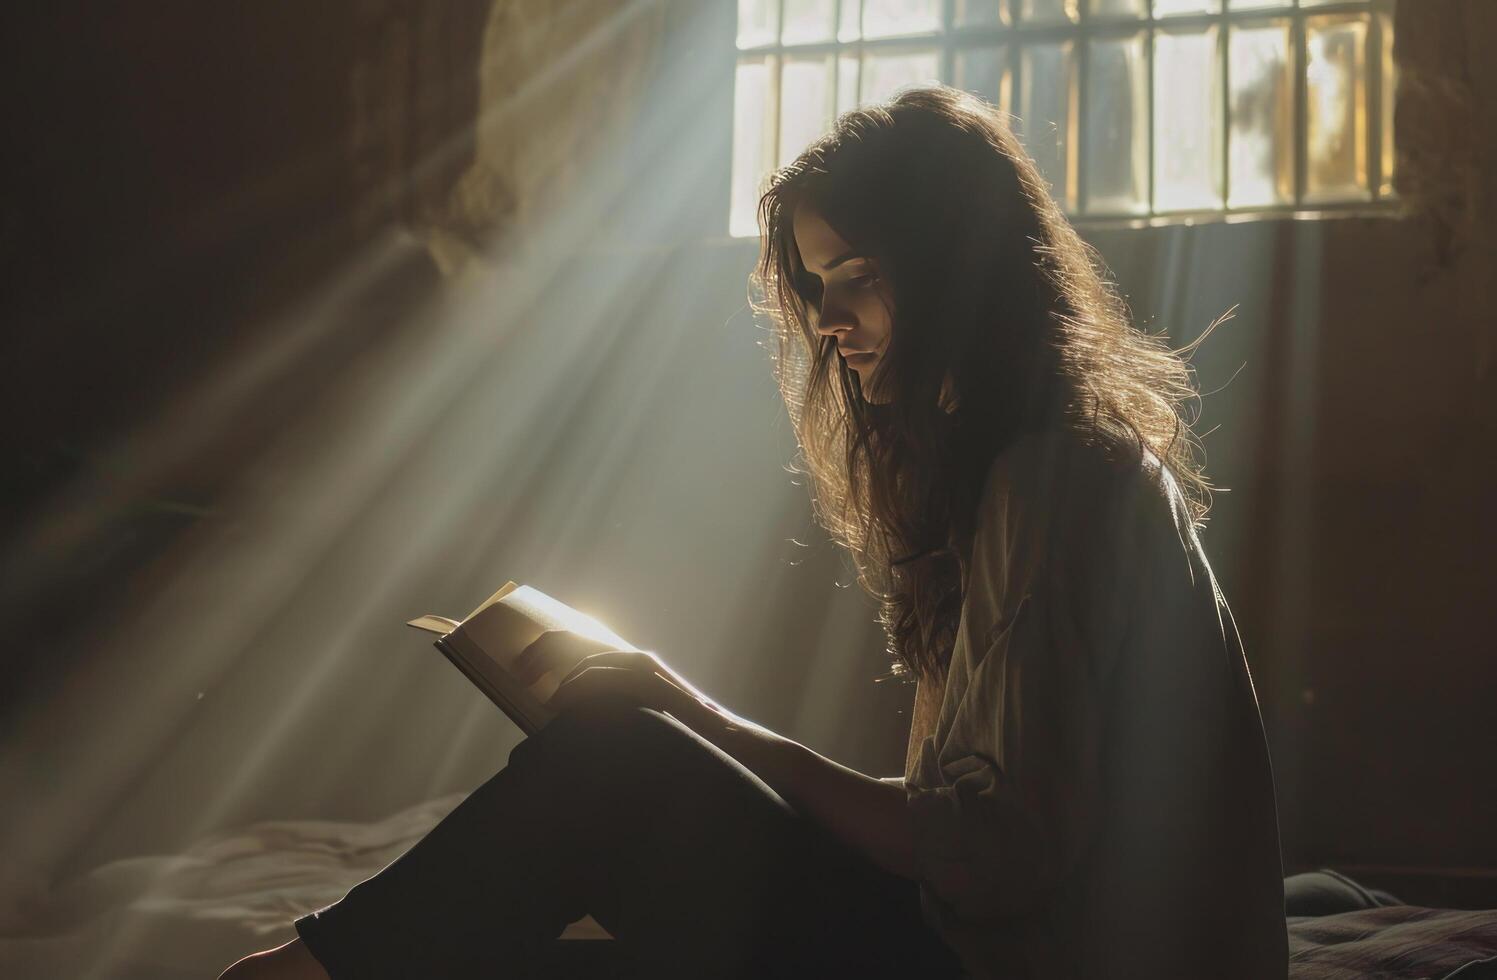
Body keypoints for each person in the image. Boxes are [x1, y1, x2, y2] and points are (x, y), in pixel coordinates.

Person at [219, 84, 1288, 979]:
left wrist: (689, 715)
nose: (829, 322)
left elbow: (988, 856)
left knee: (617, 760)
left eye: (859, 278)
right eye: (819, 287)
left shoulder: (1054, 479)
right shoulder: (1022, 467)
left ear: (962, 266)